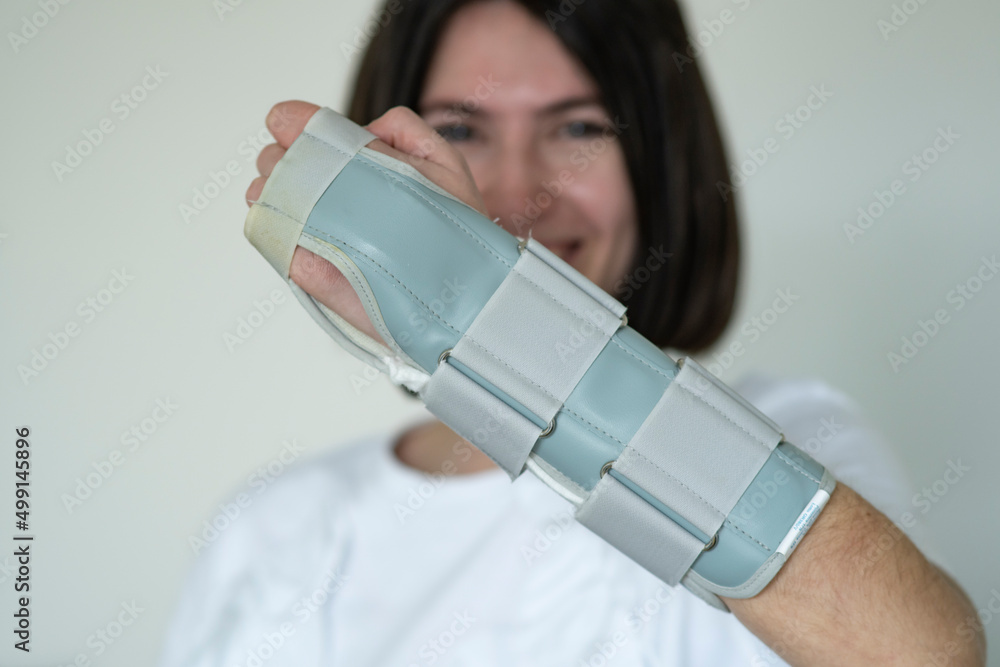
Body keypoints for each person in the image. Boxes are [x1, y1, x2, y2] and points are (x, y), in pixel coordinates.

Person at [160, 0, 985, 664]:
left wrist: (498, 321)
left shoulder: (803, 434)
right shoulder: (276, 532)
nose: (521, 194)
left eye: (579, 128)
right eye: (459, 128)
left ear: (656, 164)